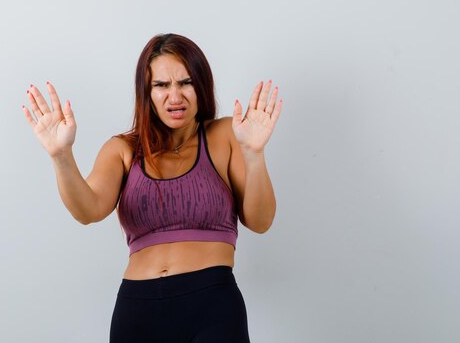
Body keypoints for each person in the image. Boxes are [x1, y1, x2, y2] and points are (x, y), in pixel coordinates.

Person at [22, 33, 282, 342]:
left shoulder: (225, 135)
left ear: (202, 86)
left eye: (185, 82)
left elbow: (260, 221)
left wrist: (254, 154)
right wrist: (61, 156)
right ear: (146, 92)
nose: (175, 96)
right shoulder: (122, 149)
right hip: (137, 311)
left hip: (212, 305)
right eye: (161, 85)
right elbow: (87, 210)